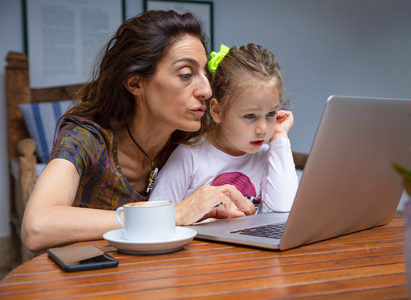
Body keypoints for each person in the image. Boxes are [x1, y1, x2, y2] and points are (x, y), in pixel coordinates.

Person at [21, 11, 254, 253]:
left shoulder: (191, 137)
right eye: (186, 75)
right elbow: (37, 227)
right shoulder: (86, 137)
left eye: (204, 73)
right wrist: (172, 214)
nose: (206, 89)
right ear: (135, 83)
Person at [150, 44, 298, 215]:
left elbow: (285, 206)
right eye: (250, 116)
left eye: (271, 113)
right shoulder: (189, 156)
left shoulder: (266, 156)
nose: (263, 129)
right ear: (217, 111)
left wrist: (279, 137)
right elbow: (156, 215)